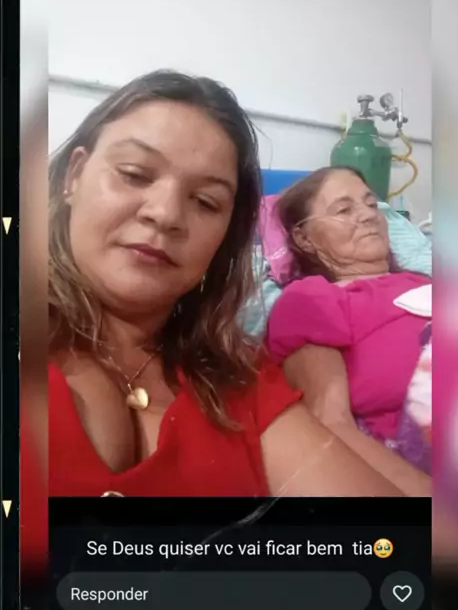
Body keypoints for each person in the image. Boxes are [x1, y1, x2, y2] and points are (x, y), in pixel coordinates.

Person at [35, 70, 421, 504]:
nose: (166, 214)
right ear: (74, 175)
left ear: (224, 238)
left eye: (206, 202)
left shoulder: (235, 376)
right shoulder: (312, 301)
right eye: (135, 174)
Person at [266, 166, 432, 490]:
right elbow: (330, 426)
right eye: (344, 210)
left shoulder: (429, 283)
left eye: (371, 204)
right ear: (304, 238)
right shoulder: (313, 298)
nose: (369, 215)